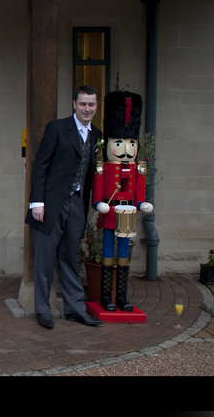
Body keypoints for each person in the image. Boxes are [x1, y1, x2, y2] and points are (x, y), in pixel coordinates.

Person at [25, 85, 104, 329]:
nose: (87, 108)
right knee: (45, 259)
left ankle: (75, 309)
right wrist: (37, 203)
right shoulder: (57, 128)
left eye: (91, 104)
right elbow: (40, 166)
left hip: (77, 204)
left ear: (96, 106)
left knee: (71, 257)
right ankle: (43, 309)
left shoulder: (97, 135)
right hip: (50, 204)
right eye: (83, 104)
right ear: (74, 104)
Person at [92, 90, 153, 312]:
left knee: (123, 255)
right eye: (119, 143)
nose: (127, 151)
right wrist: (99, 203)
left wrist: (141, 204)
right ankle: (106, 297)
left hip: (126, 212)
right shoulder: (103, 167)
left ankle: (122, 298)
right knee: (108, 253)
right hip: (110, 212)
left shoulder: (138, 169)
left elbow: (138, 194)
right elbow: (97, 193)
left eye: (131, 144)